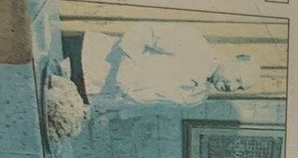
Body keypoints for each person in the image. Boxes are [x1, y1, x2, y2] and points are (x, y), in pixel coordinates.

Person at [61, 23, 261, 107]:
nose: (232, 87)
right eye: (237, 79)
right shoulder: (195, 43)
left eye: (239, 87)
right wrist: (126, 71)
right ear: (235, 58)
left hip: (89, 94)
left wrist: (102, 108)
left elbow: (142, 102)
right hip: (84, 58)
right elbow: (142, 31)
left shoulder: (198, 98)